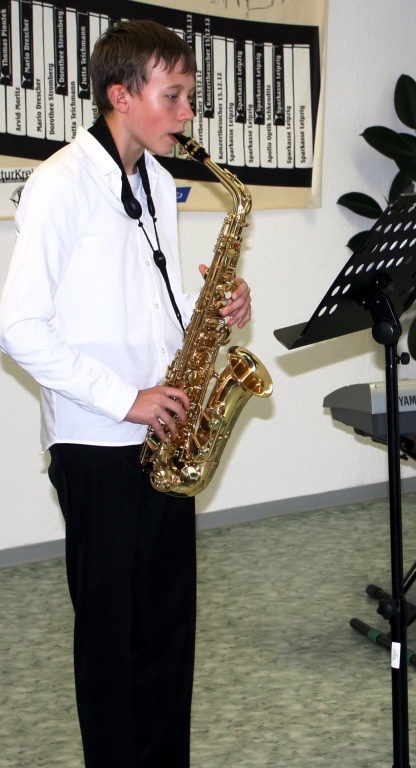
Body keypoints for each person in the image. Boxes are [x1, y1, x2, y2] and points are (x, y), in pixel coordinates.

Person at [0, 20, 253, 768]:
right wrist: (125, 398)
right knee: (112, 642)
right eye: (172, 96)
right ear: (120, 96)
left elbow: (154, 302)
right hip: (96, 440)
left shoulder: (157, 183)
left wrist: (215, 307)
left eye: (189, 96)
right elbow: (17, 327)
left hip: (164, 435)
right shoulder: (60, 184)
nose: (187, 113)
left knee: (169, 631)